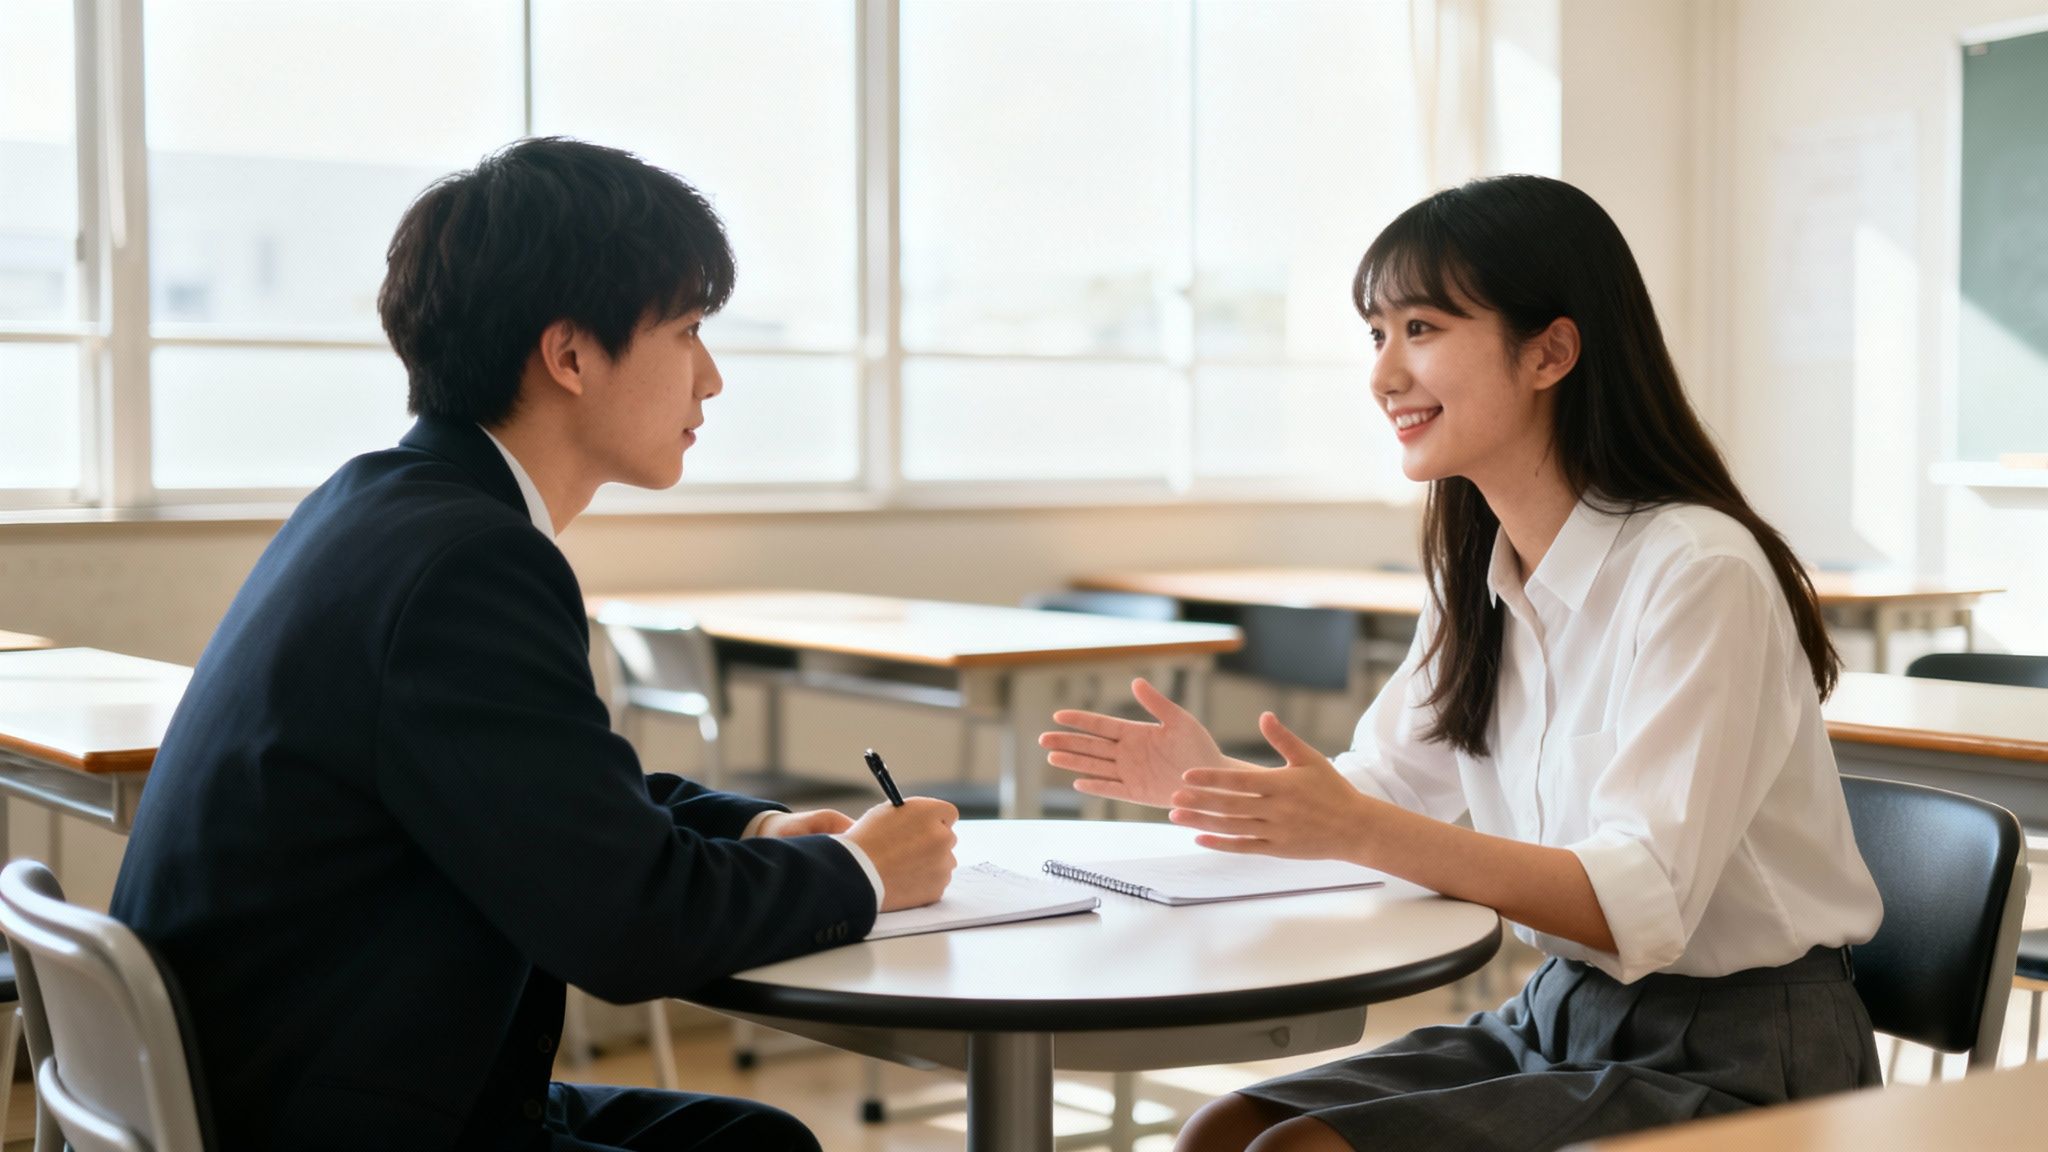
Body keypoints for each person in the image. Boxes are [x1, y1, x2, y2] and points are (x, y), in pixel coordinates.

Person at [109, 137, 960, 1152]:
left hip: (283, 1084)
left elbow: (537, 795)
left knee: (748, 1143)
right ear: (568, 356)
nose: (713, 378)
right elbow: (629, 925)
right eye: (686, 331)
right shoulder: (471, 563)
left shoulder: (373, 505)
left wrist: (753, 832)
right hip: (335, 1120)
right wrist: (864, 876)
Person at [1040, 175, 1883, 1152]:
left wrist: (1355, 827)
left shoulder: (1697, 571)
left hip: (1744, 1057)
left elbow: (1635, 902)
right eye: (1375, 335)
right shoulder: (1476, 573)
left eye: (1421, 329)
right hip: (1564, 1011)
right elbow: (1388, 787)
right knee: (1221, 1132)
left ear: (1549, 352)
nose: (1382, 375)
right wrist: (1228, 789)